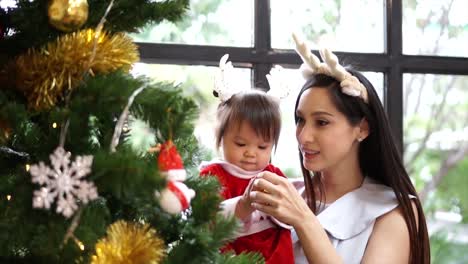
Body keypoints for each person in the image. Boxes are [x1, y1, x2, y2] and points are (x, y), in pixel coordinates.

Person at [221, 35, 431, 263]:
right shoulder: (284, 194)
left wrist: (304, 220)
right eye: (300, 120)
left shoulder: (391, 211)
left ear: (362, 129)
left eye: (322, 122)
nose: (304, 135)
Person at [199, 54, 294, 264]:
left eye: (262, 146)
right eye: (241, 144)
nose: (251, 153)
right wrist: (243, 205)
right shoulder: (212, 175)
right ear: (221, 138)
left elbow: (293, 217)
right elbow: (204, 223)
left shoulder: (274, 176)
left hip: (274, 254)